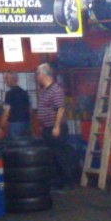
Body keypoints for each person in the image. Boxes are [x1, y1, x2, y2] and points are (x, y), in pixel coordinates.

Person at [34, 63, 74, 191]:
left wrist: (56, 127)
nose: (37, 76)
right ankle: (58, 183)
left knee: (60, 157)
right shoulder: (44, 90)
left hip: (56, 129)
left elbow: (60, 109)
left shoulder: (55, 89)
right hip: (48, 128)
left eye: (38, 73)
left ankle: (67, 183)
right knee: (52, 157)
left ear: (44, 75)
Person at [0, 72, 30, 140]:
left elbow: (6, 112)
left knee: (13, 145)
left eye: (6, 78)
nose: (5, 81)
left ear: (13, 79)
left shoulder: (9, 94)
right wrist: (31, 126)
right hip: (26, 123)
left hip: (14, 125)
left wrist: (1, 127)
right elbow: (29, 110)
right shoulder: (24, 93)